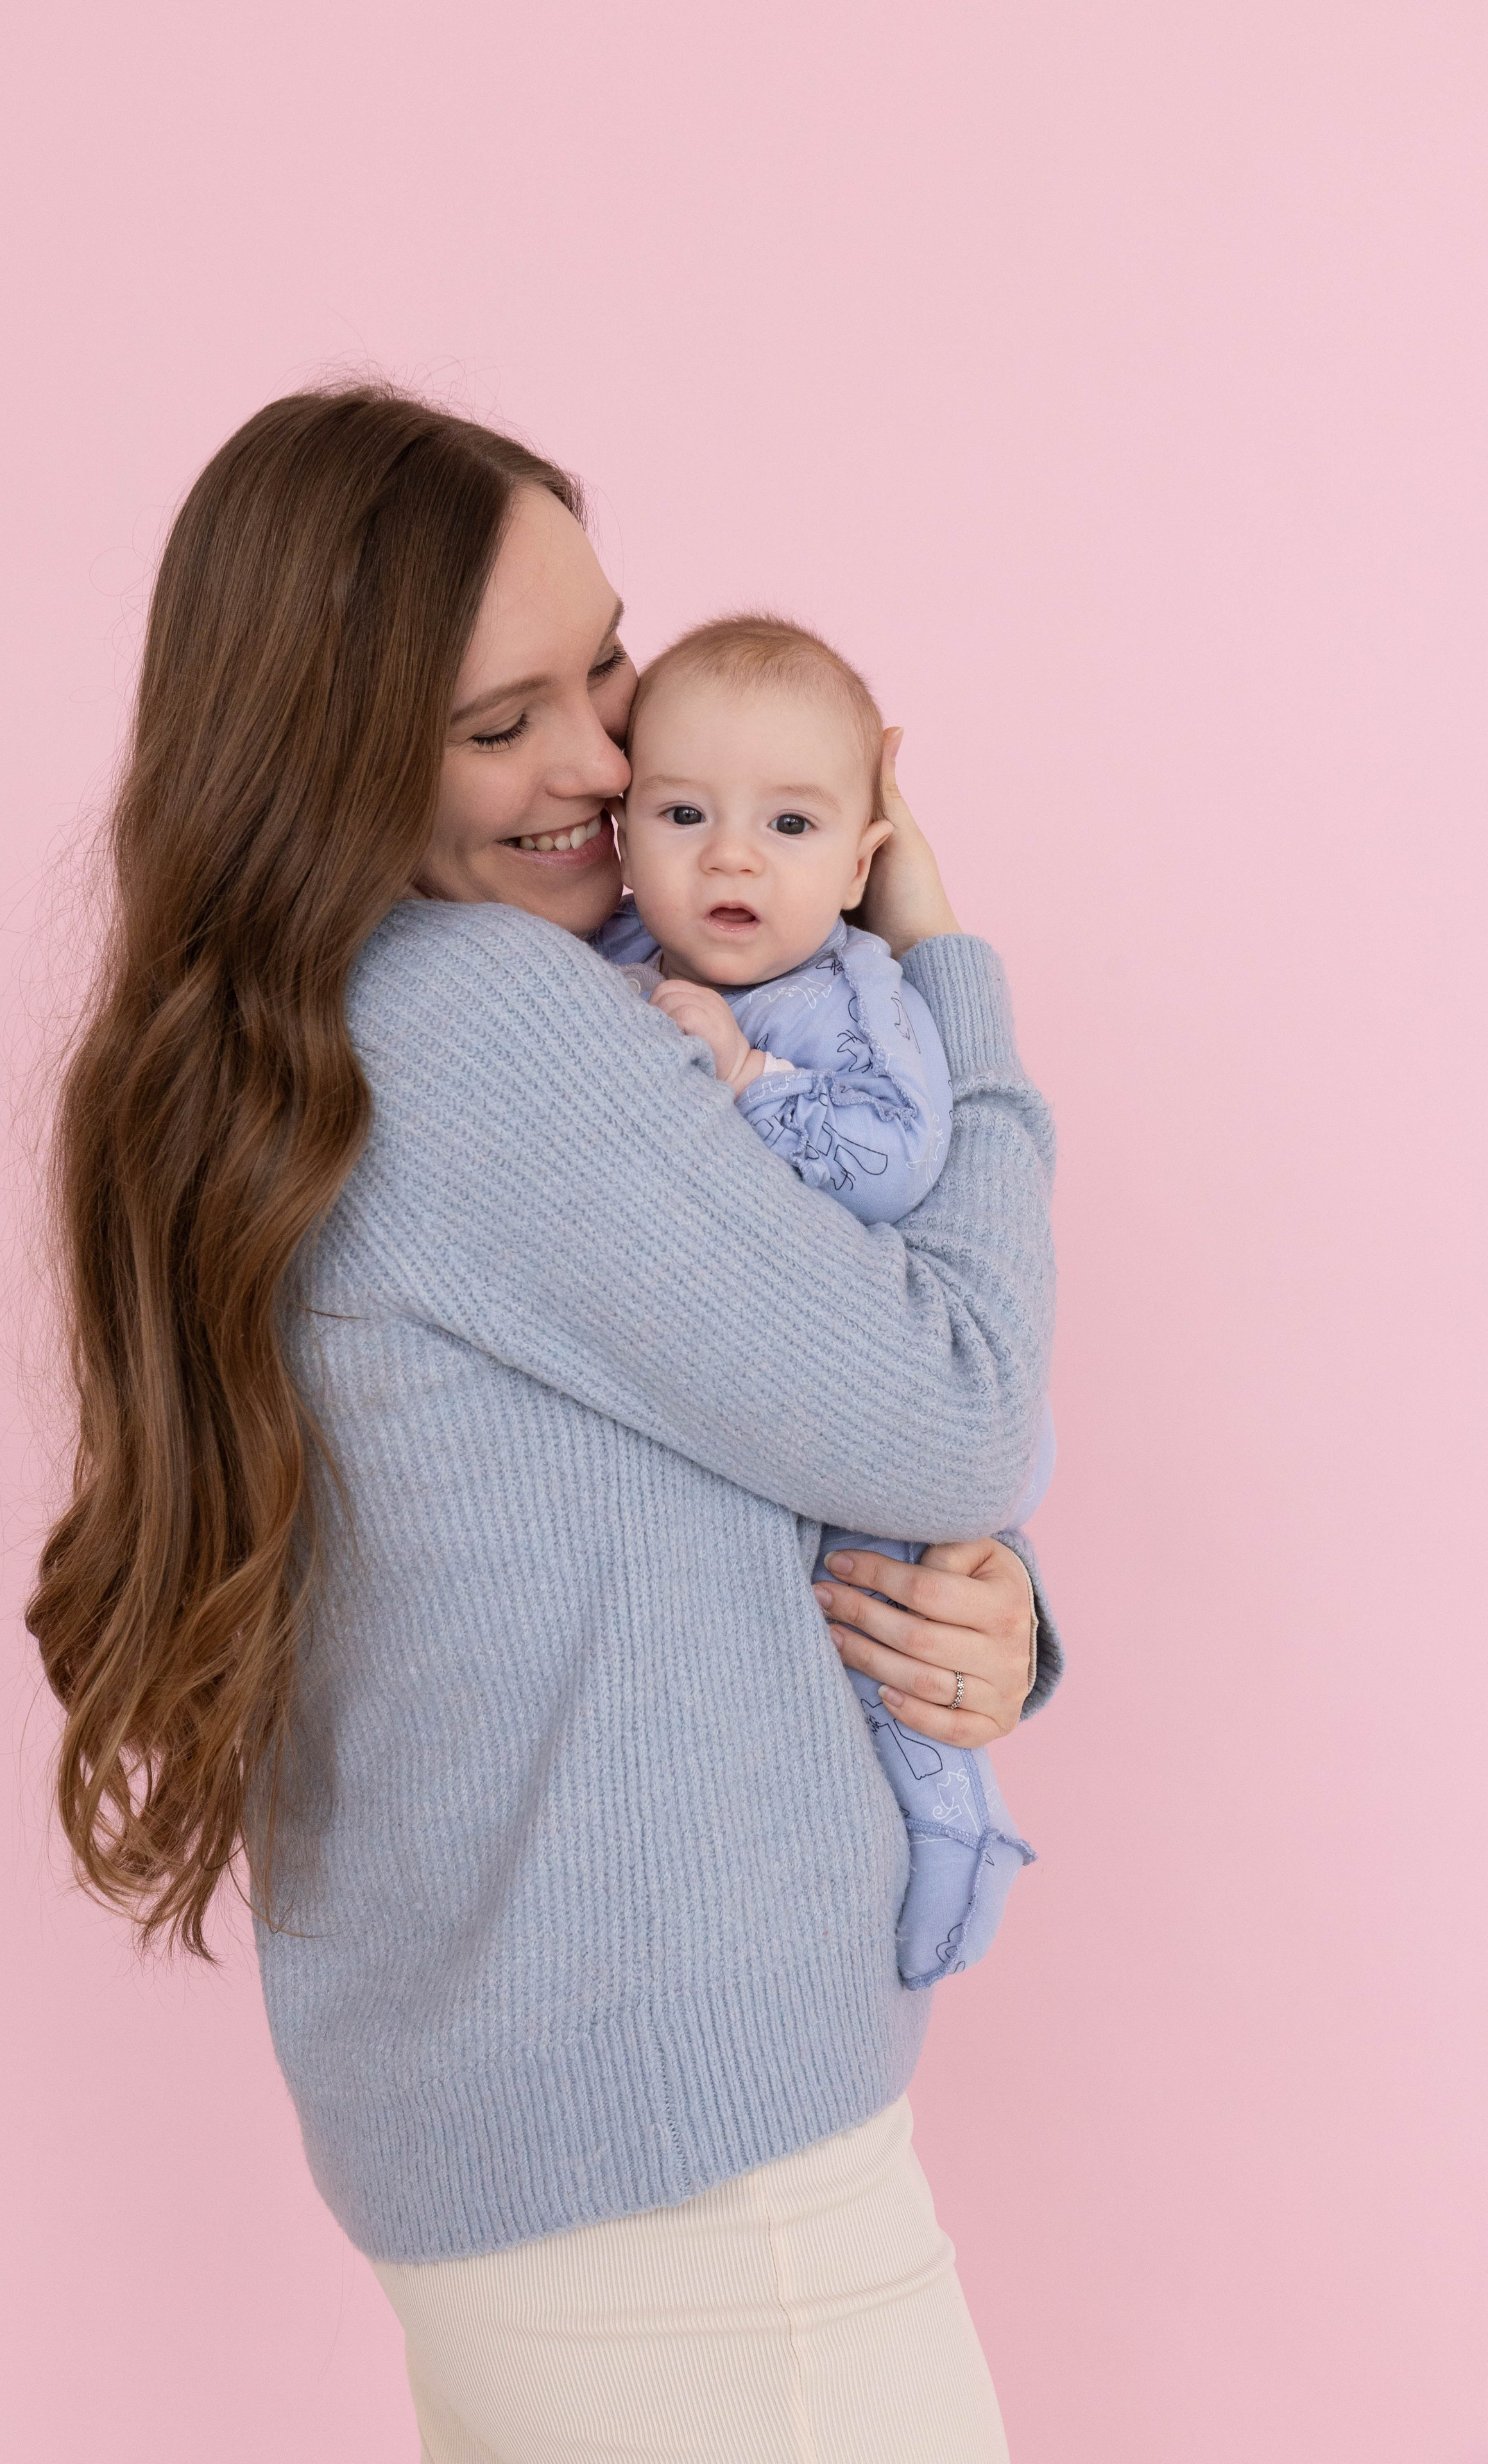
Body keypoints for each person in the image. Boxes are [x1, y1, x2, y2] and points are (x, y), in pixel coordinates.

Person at [30, 382, 1058, 2463]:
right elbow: (953, 1410)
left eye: (605, 661)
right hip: (697, 2177)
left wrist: (990, 1632)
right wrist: (950, 983)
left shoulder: (313, 1050)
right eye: (505, 726)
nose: (613, 756)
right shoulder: (474, 1025)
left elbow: (625, 1502)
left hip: (524, 2161)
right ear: (328, 759)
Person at [599, 612, 1045, 1990]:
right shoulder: (606, 964)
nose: (729, 856)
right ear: (623, 832)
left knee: (902, 1656)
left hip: (891, 1422)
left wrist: (736, 1081)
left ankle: (957, 1851)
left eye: (790, 825)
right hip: (801, 1409)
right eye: (681, 812)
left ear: (863, 854)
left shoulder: (847, 993)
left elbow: (892, 1152)